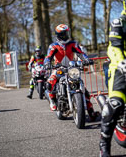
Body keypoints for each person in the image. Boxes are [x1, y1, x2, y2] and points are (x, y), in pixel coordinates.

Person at [44, 24, 99, 121]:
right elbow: (48, 57)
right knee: (50, 83)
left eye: (67, 32)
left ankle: (91, 112)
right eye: (65, 33)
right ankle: (52, 100)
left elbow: (80, 53)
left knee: (84, 90)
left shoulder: (73, 44)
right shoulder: (53, 46)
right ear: (60, 35)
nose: (67, 34)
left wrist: (86, 60)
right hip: (58, 68)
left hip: (71, 68)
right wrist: (47, 63)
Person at [99, 9, 126, 157]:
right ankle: (104, 144)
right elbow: (115, 46)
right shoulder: (119, 22)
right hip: (120, 66)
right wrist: (122, 61)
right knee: (115, 103)